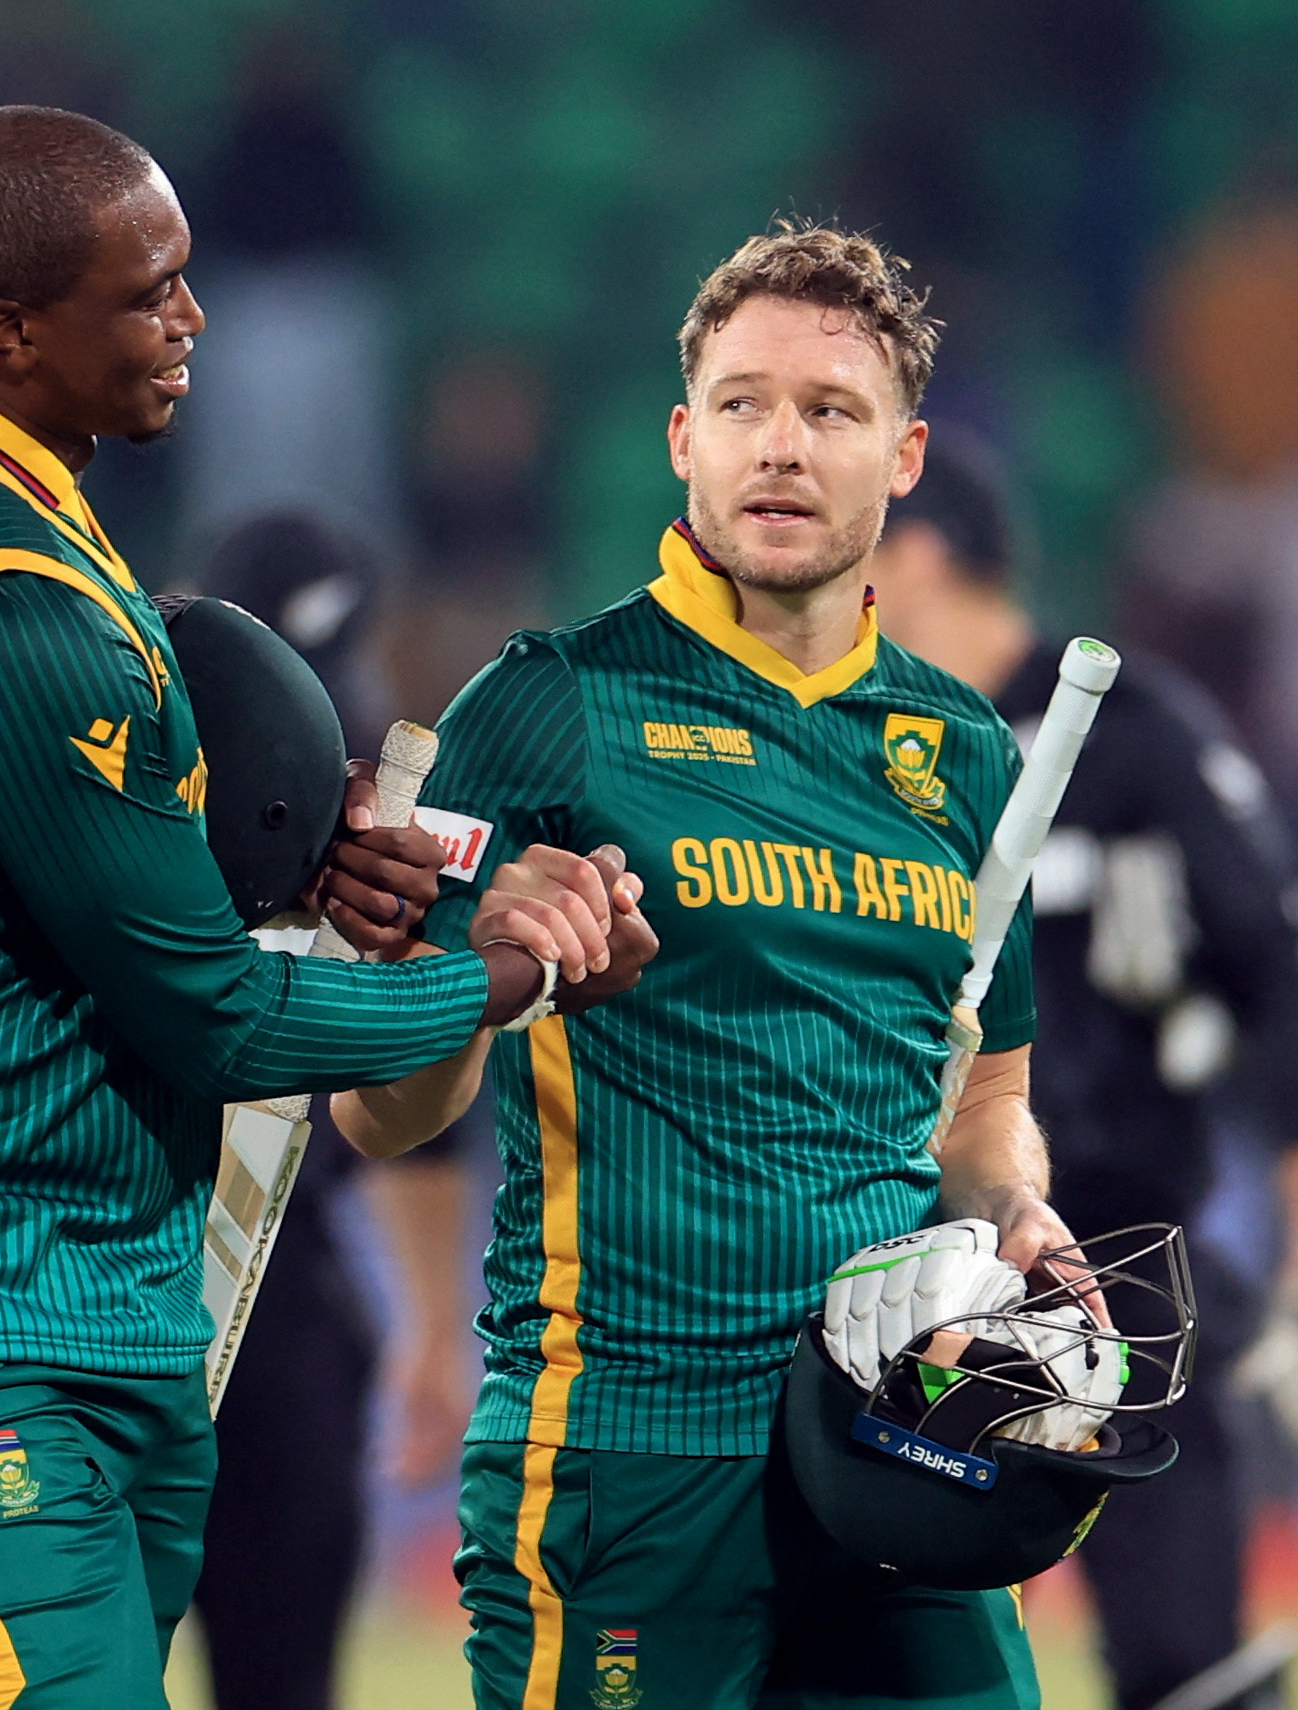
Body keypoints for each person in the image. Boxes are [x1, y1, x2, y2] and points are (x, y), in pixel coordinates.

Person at [0, 107, 645, 1709]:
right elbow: (217, 1010)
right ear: (9, 333)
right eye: (150, 292)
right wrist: (496, 975)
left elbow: (54, 840)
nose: (193, 320)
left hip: (63, 1278)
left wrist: (306, 833)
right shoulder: (1, 602)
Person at [337, 222, 1070, 1710]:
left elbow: (984, 1097)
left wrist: (1010, 1211)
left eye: (830, 412)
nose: (780, 447)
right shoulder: (545, 709)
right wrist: (482, 974)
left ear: (908, 456)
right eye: (741, 405)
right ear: (683, 440)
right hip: (630, 1453)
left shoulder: (967, 752)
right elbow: (378, 1114)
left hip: (891, 1441)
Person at [867, 438, 1298, 1710]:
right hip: (888, 1263)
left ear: (918, 553)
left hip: (1113, 1263)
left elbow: (1277, 969)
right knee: (869, 1645)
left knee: (1180, 1658)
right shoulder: (840, 740)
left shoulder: (1132, 736)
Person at [183, 513, 482, 1710]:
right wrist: (427, 1327)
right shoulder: (115, 789)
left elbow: (409, 1093)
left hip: (257, 1287)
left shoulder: (362, 804)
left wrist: (428, 1323)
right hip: (142, 1282)